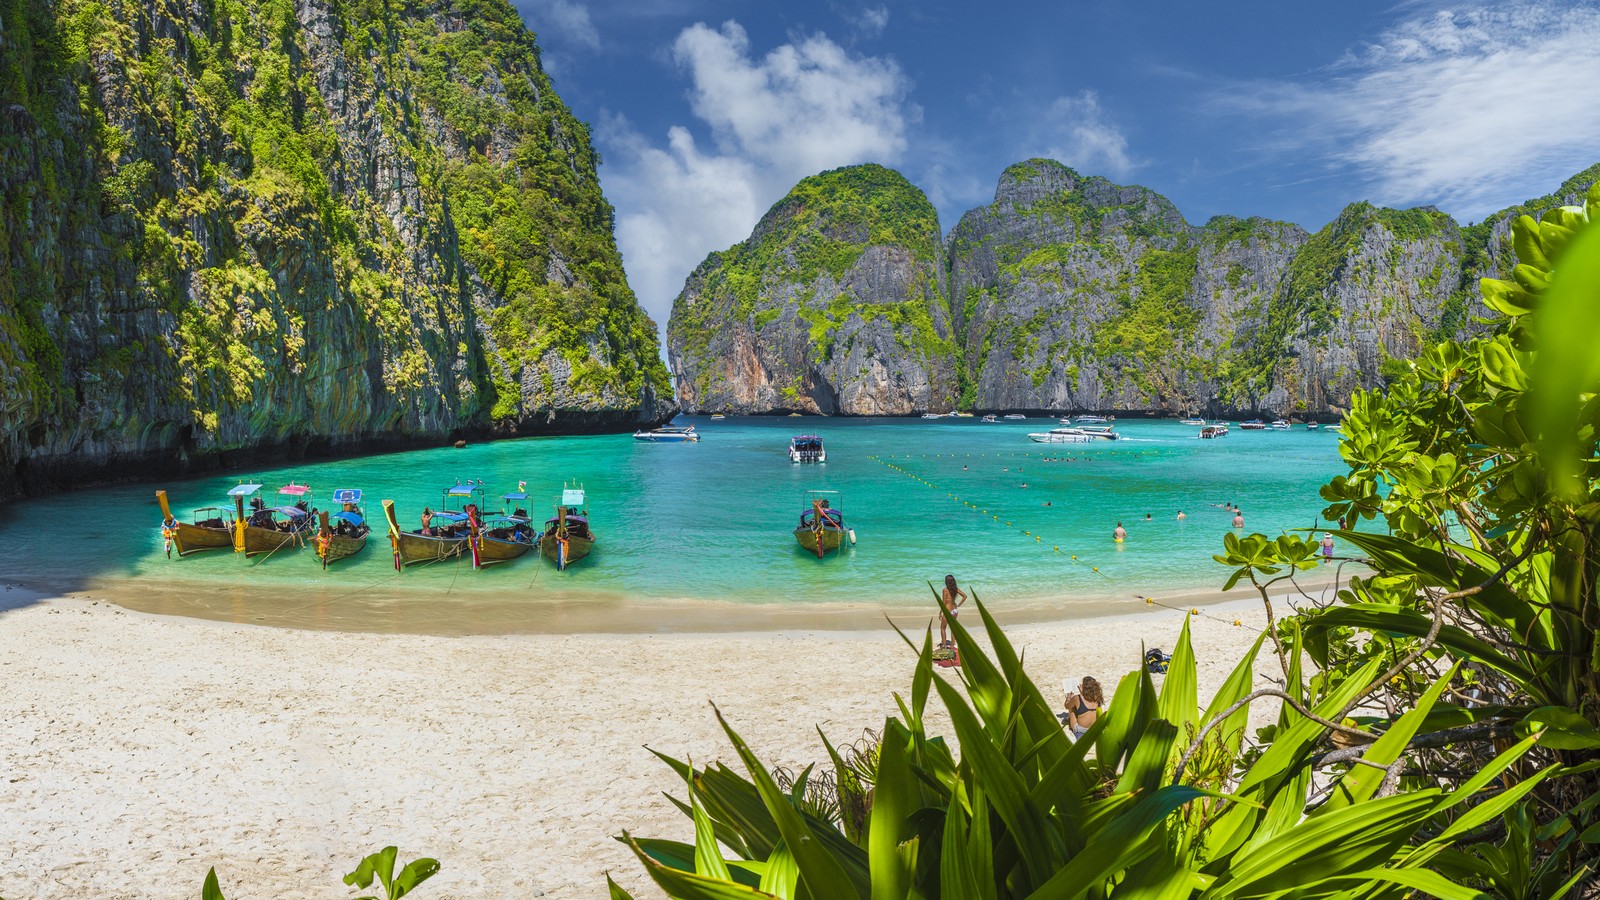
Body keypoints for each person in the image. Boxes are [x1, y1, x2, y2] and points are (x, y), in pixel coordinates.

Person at [939, 575, 967, 648]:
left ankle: (944, 644)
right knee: (953, 628)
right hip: (955, 610)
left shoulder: (945, 590)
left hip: (948, 611)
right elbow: (965, 596)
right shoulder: (956, 589)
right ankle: (952, 644)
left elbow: (944, 602)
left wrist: (940, 612)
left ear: (946, 582)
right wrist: (959, 605)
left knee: (942, 627)